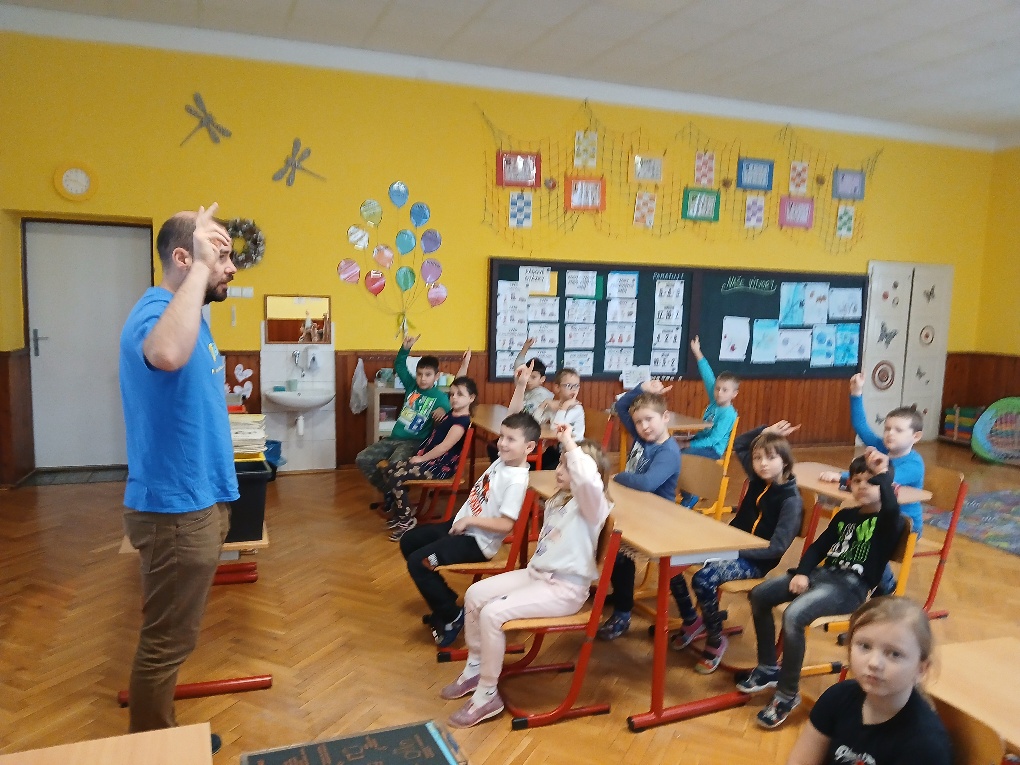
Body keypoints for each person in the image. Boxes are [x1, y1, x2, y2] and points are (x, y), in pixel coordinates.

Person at [118, 204, 238, 754]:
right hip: (175, 512)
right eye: (220, 255)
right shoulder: (155, 313)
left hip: (198, 502)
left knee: (175, 637)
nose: (230, 267)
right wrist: (201, 268)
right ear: (185, 259)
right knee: (166, 642)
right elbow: (165, 352)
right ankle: (153, 750)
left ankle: (160, 736)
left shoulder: (189, 312)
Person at [440, 423, 612, 729]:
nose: (559, 470)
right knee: (475, 595)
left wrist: (569, 443)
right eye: (560, 463)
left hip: (565, 589)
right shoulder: (562, 497)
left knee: (493, 613)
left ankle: (487, 695)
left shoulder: (592, 504)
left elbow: (587, 479)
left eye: (567, 466)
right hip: (538, 575)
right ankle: (476, 668)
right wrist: (568, 453)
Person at [739, 448, 903, 730]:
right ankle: (768, 668)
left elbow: (890, 508)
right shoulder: (845, 516)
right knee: (760, 595)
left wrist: (883, 473)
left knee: (794, 615)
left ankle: (787, 694)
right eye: (857, 481)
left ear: (886, 486)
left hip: (850, 588)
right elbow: (817, 548)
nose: (863, 486)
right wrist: (803, 572)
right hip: (821, 575)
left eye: (871, 482)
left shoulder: (889, 521)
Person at [670, 421, 804, 673]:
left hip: (755, 561)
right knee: (671, 561)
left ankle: (715, 638)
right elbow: (741, 443)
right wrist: (764, 431)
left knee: (703, 579)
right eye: (758, 458)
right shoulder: (757, 480)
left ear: (785, 461)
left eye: (771, 458)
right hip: (729, 545)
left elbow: (776, 548)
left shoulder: (791, 501)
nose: (763, 464)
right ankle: (691, 619)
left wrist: (735, 550)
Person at [399, 411, 540, 648]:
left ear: (529, 447)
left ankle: (452, 616)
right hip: (460, 527)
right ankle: (445, 602)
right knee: (409, 541)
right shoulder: (503, 460)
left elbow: (506, 525)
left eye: (510, 439)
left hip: (476, 542)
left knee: (418, 562)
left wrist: (469, 521)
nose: (502, 443)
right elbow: (513, 413)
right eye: (501, 437)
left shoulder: (516, 480)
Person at [785, 596, 952, 765]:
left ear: (921, 669)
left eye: (894, 654)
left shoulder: (926, 745)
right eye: (865, 646)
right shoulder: (837, 697)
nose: (874, 663)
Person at [820, 373, 925, 596]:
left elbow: (883, 478)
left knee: (866, 540)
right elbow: (861, 426)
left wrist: (843, 476)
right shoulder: (881, 447)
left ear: (916, 437)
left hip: (905, 523)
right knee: (852, 531)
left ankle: (886, 584)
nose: (889, 434)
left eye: (898, 430)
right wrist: (856, 393)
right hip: (878, 517)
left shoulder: (914, 464)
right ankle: (858, 579)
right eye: (887, 428)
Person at [597, 379, 681, 641]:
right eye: (638, 422)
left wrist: (619, 476)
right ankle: (620, 594)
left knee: (618, 548)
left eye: (649, 419)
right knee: (604, 532)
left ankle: (623, 612)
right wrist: (642, 388)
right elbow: (622, 405)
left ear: (665, 417)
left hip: (657, 518)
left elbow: (646, 483)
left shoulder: (667, 451)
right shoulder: (644, 439)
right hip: (637, 508)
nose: (643, 426)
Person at [355, 334, 450, 508]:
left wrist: (444, 411)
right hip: (393, 439)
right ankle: (390, 492)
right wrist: (405, 348)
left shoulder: (441, 398)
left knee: (393, 466)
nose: (423, 378)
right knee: (362, 458)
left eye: (428, 375)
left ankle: (396, 497)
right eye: (419, 374)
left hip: (413, 443)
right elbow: (399, 365)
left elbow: (452, 418)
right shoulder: (412, 386)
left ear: (437, 376)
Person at [381, 376, 477, 541]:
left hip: (439, 467)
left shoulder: (461, 423)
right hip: (430, 460)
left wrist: (422, 459)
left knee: (396, 476)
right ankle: (405, 511)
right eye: (452, 394)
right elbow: (460, 379)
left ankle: (406, 521)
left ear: (471, 398)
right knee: (389, 469)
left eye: (460, 394)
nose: (454, 397)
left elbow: (444, 447)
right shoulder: (453, 413)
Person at [528, 367, 585, 470]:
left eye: (576, 386)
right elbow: (535, 422)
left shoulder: (577, 409)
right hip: (560, 450)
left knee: (541, 468)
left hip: (573, 452)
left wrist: (564, 407)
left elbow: (556, 428)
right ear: (557, 387)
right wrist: (544, 403)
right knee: (530, 464)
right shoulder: (555, 405)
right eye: (568, 385)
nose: (573, 389)